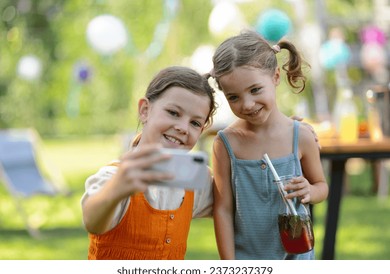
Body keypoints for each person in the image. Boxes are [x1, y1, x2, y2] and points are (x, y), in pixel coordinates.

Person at [209, 30, 329, 260]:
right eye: (233, 97)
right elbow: (223, 210)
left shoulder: (300, 136)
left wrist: (310, 191)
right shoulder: (225, 144)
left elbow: (321, 186)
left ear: (275, 77)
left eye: (255, 90)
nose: (247, 104)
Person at [81, 66, 217, 260]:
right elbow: (92, 220)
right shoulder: (115, 176)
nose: (182, 128)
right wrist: (117, 189)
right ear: (145, 110)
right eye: (173, 113)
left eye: (195, 123)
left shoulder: (195, 181)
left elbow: (239, 203)